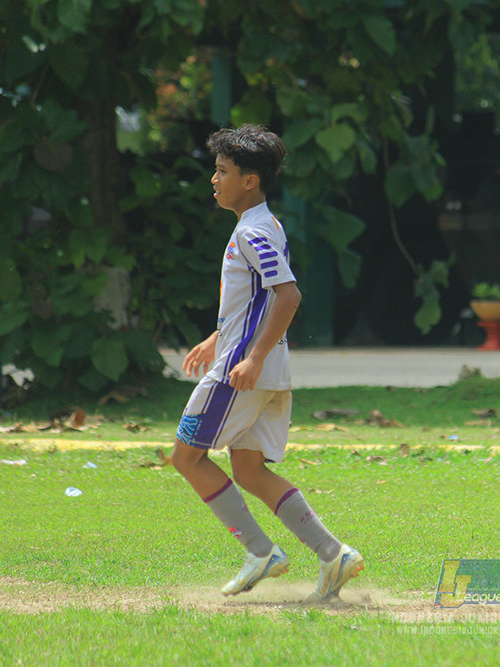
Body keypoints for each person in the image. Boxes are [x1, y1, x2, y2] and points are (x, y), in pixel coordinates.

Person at [170, 124, 363, 600]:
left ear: (250, 180)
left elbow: (287, 294)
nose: (214, 180)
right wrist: (220, 337)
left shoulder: (251, 233)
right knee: (250, 471)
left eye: (222, 171)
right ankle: (332, 553)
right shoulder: (266, 225)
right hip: (266, 368)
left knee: (186, 457)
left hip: (243, 372)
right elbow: (256, 301)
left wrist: (248, 356)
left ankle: (260, 550)